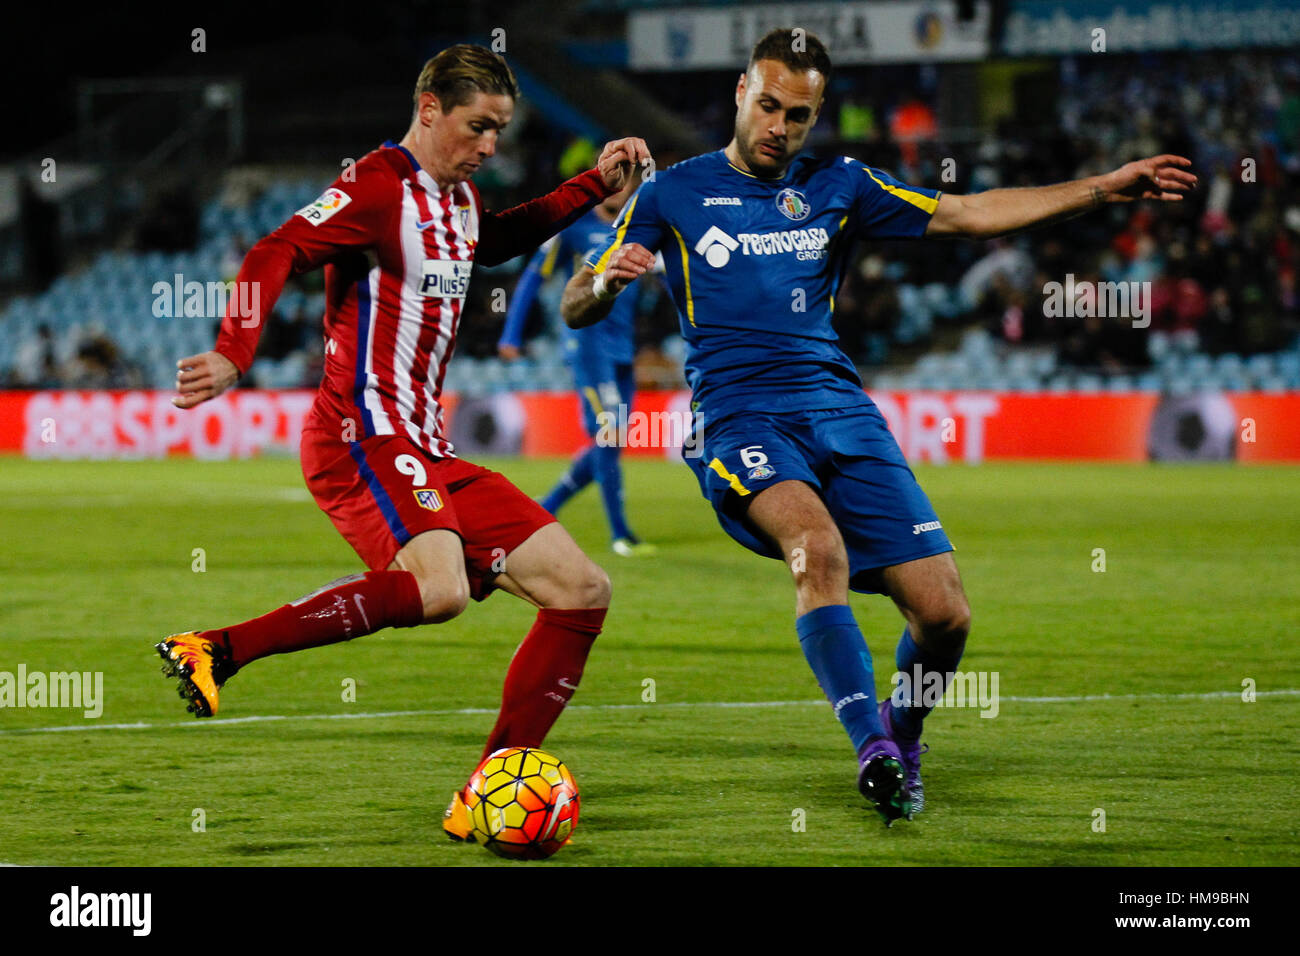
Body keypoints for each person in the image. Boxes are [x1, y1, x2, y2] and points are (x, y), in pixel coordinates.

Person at [562, 28, 1195, 823]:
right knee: (816, 550)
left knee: (945, 614)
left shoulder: (842, 184)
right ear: (739, 93)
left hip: (841, 413)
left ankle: (904, 729)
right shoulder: (672, 193)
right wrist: (605, 285)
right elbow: (574, 304)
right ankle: (873, 748)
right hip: (739, 417)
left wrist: (1104, 186)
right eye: (768, 107)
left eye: (799, 115)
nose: (779, 129)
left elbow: (968, 214)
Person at [157, 44, 650, 841]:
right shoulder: (375, 186)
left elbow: (492, 240)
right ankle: (219, 648)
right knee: (441, 589)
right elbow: (274, 249)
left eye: (499, 131)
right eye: (477, 127)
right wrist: (233, 351)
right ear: (429, 110)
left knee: (582, 589)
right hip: (361, 433)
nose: (490, 146)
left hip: (425, 444)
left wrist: (596, 185)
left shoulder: (455, 200)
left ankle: (485, 791)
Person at [498, 177, 658, 556]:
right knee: (610, 435)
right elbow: (533, 278)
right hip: (587, 343)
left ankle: (544, 508)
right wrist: (511, 334)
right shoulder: (573, 228)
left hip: (622, 348)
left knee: (611, 441)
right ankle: (621, 534)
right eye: (613, 183)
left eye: (627, 183)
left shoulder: (638, 230)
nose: (620, 190)